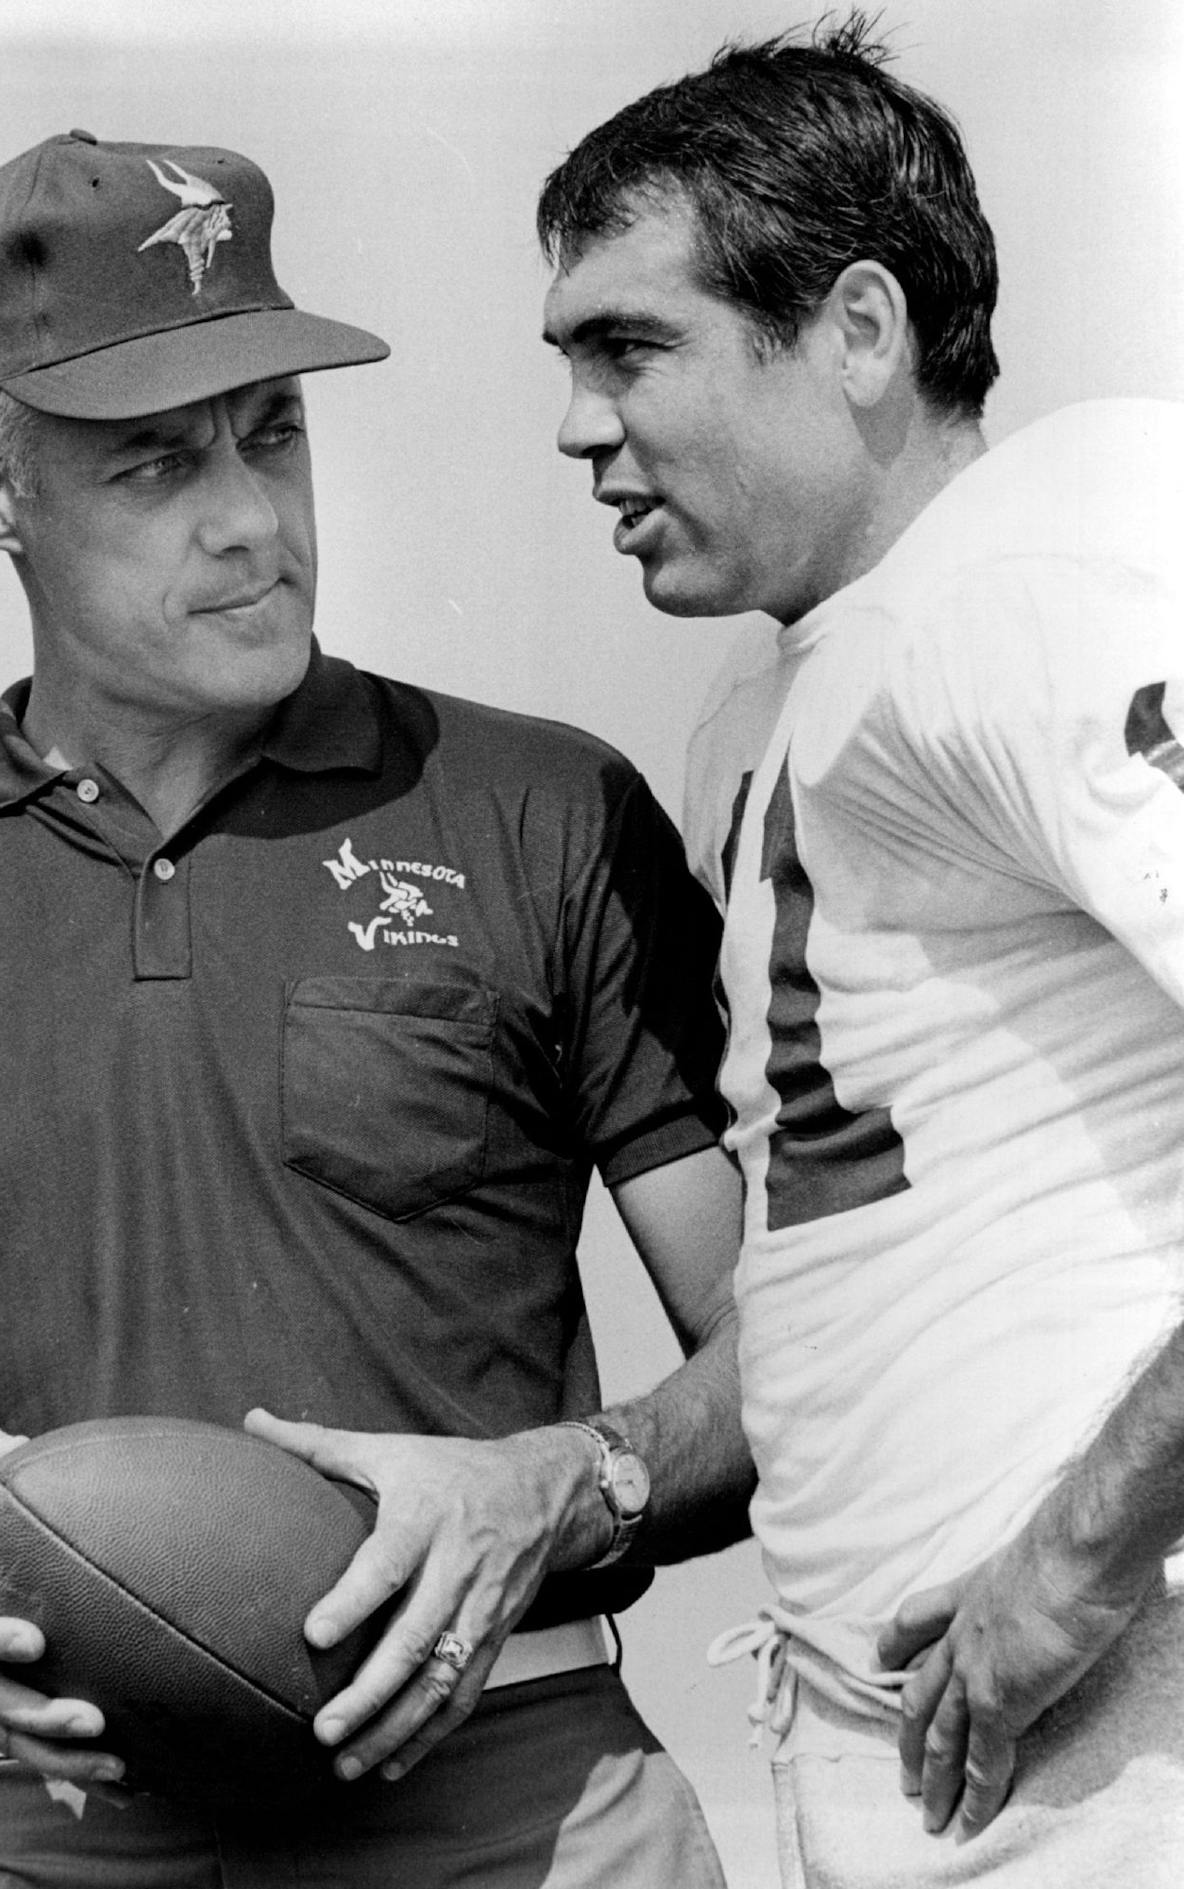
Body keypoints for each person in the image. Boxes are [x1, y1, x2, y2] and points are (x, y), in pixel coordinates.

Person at [0, 131, 752, 1886]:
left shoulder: (547, 814)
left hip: (510, 1800)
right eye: (155, 462)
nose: (251, 519)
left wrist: (559, 1484)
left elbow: (814, 1349)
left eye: (274, 431)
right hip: (30, 1827)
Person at [538, 14, 1184, 1887]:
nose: (580, 423)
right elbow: (842, 1248)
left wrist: (1079, 1554)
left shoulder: (1050, 567)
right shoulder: (763, 708)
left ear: (861, 330)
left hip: (1109, 1723)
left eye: (631, 345)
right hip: (900, 1728)